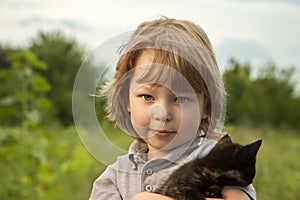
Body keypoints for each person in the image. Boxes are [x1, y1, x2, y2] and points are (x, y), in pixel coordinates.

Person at [89, 17, 256, 200]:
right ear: (126, 100)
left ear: (207, 106)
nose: (162, 114)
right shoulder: (115, 177)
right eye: (148, 97)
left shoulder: (218, 158)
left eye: (180, 99)